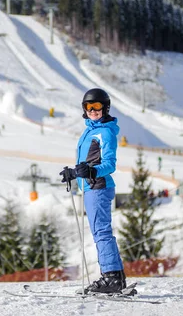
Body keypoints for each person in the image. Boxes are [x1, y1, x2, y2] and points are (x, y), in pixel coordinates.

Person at [59, 88, 128, 294]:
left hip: (98, 187)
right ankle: (117, 277)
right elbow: (87, 162)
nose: (93, 111)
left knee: (101, 233)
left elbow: (109, 164)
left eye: (97, 106)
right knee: (102, 232)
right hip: (90, 187)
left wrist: (91, 171)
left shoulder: (105, 132)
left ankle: (111, 278)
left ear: (105, 108)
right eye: (89, 107)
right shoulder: (89, 130)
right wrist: (74, 172)